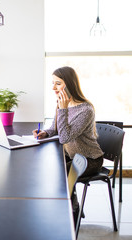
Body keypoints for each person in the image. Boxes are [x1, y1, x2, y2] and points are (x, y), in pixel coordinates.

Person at [32, 66, 104, 225]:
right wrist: (45, 133)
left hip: (89, 159)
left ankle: (71, 211)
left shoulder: (86, 109)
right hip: (72, 156)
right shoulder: (61, 103)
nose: (53, 88)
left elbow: (64, 137)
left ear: (69, 84)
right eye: (52, 83)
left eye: (58, 83)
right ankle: (70, 206)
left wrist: (63, 109)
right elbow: (55, 129)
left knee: (60, 175)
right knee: (49, 169)